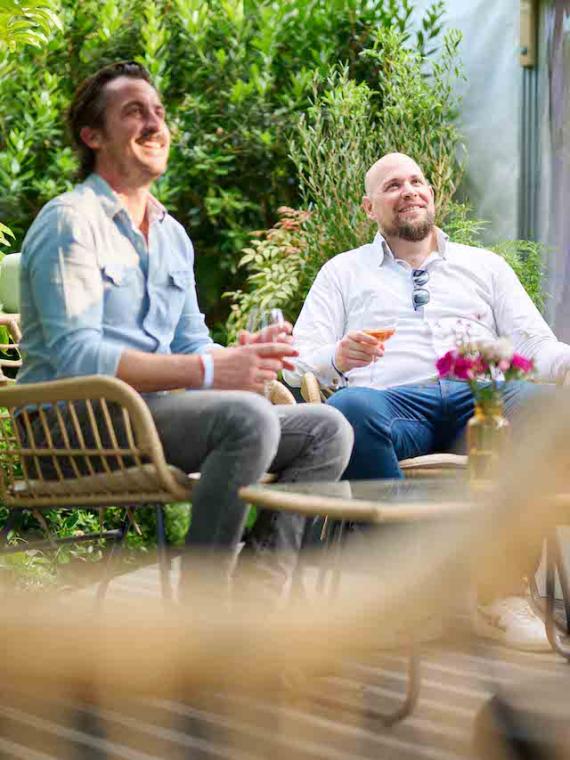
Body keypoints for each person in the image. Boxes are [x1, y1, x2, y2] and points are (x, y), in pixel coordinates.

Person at [18, 61, 353, 598]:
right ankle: (202, 610)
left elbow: (192, 342)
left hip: (150, 418)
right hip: (69, 424)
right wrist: (209, 370)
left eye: (158, 111)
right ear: (93, 136)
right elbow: (78, 356)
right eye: (133, 112)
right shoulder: (70, 223)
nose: (154, 123)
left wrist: (240, 359)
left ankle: (255, 599)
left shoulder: (173, 236)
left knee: (327, 428)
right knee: (247, 420)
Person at [284, 152, 570, 650]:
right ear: (369, 207)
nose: (410, 190)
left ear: (433, 195)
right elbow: (297, 364)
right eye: (393, 186)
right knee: (350, 411)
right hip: (391, 406)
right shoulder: (343, 273)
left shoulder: (486, 266)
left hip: (481, 398)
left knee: (548, 409)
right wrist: (338, 355)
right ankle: (407, 585)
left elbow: (533, 343)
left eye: (417, 181)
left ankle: (500, 594)